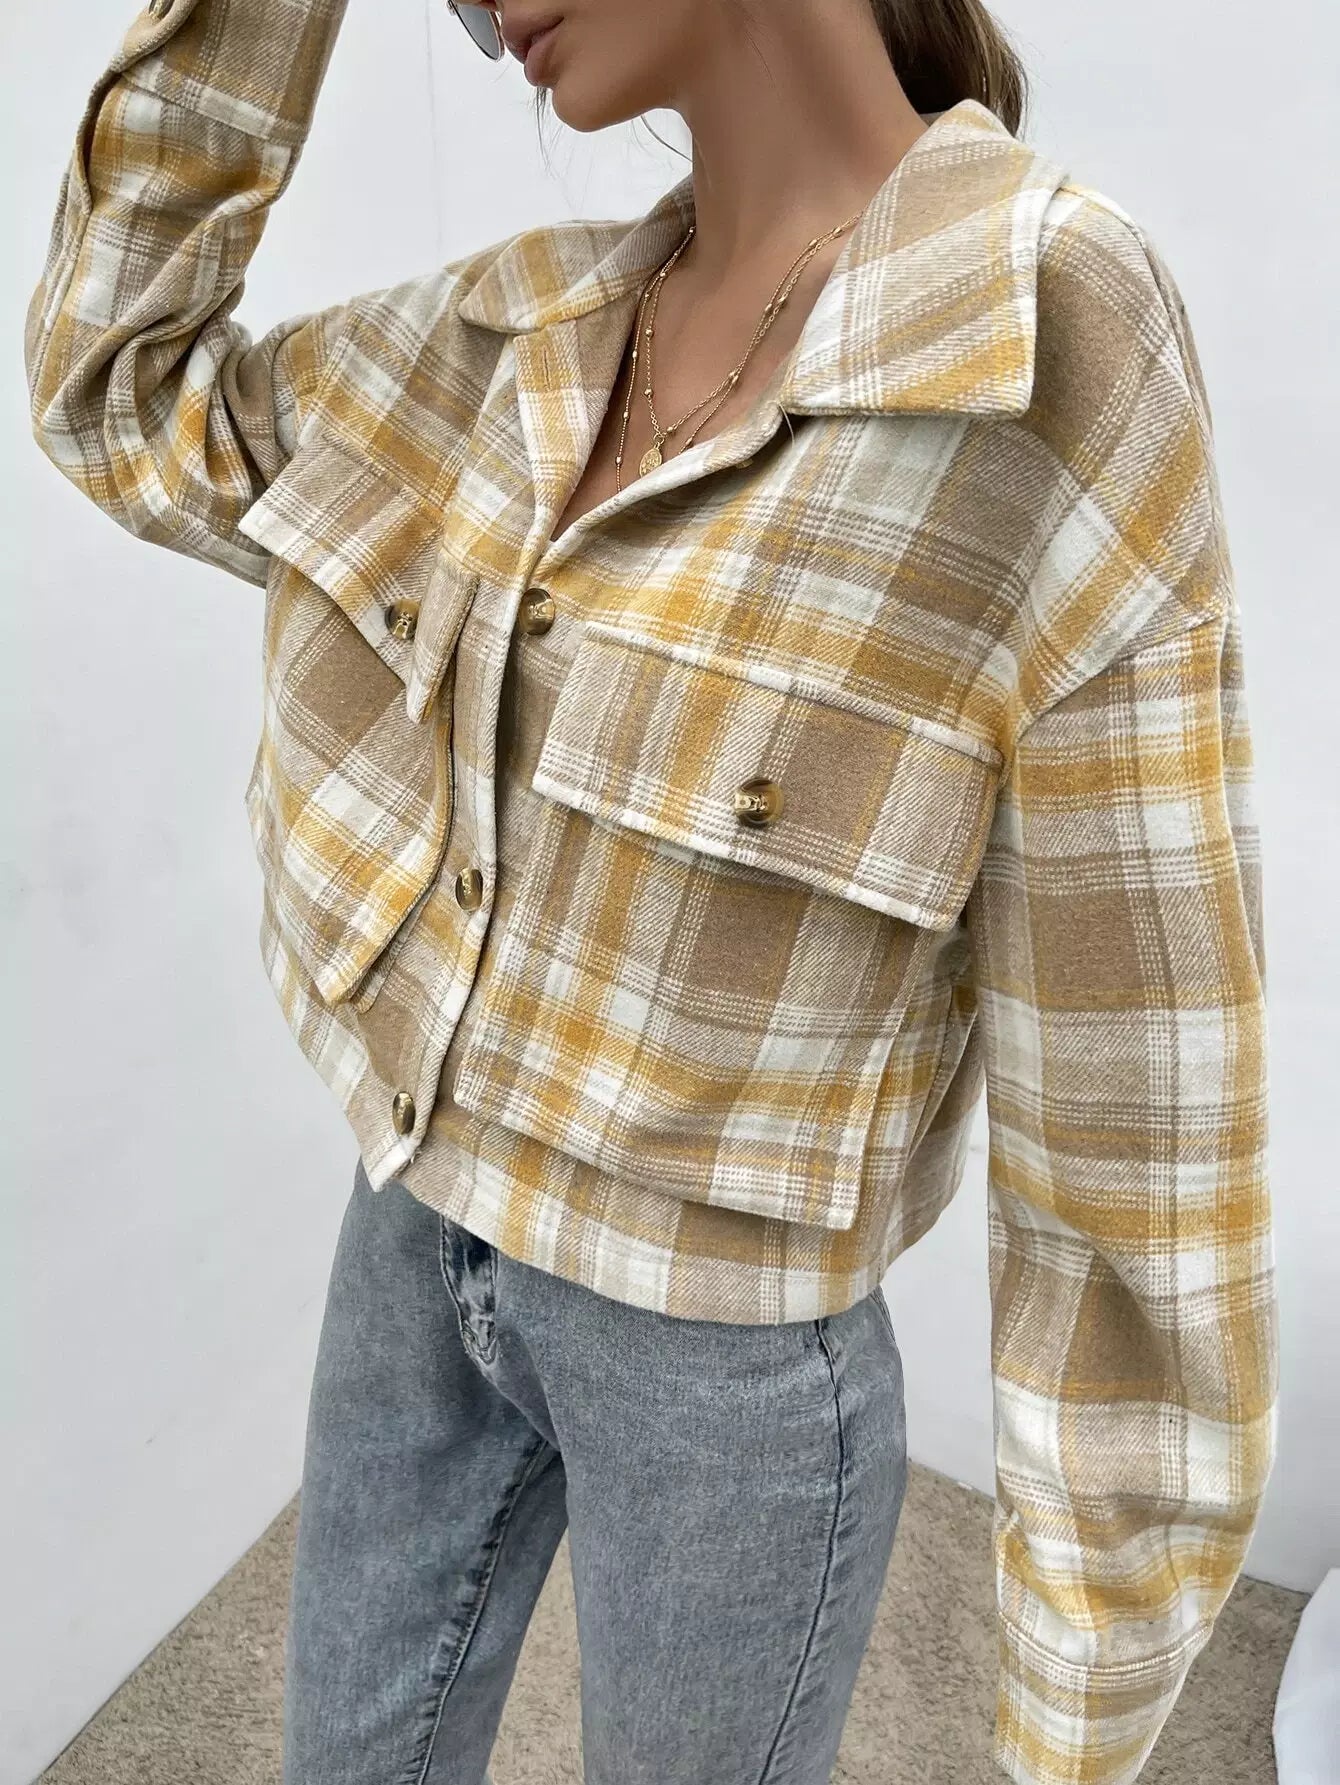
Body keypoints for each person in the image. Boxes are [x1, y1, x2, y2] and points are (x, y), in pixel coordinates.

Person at [25, 0, 1278, 1781]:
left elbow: (1136, 1111)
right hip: (413, 1214)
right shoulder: (519, 338)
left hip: (723, 1365)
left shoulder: (1037, 327)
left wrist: (1072, 1729)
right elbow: (118, 391)